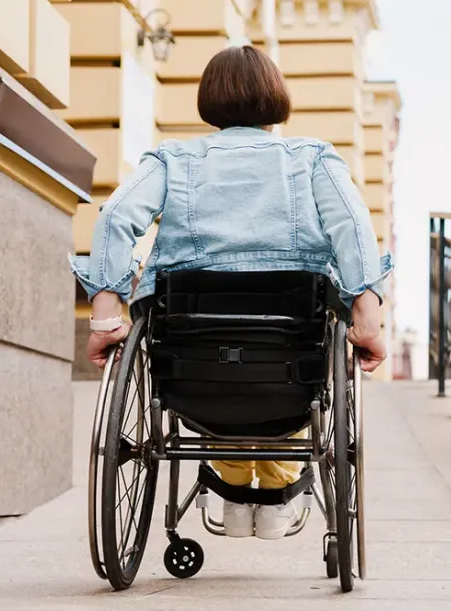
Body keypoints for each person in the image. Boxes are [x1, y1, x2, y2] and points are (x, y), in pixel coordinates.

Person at [70, 45, 392, 540]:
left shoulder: (172, 160)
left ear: (209, 99)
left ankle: (233, 488)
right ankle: (277, 494)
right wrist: (366, 314)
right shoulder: (310, 158)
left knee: (215, 359)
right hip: (291, 356)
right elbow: (351, 226)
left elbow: (115, 218)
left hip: (192, 365)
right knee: (289, 361)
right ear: (275, 97)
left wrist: (106, 315)